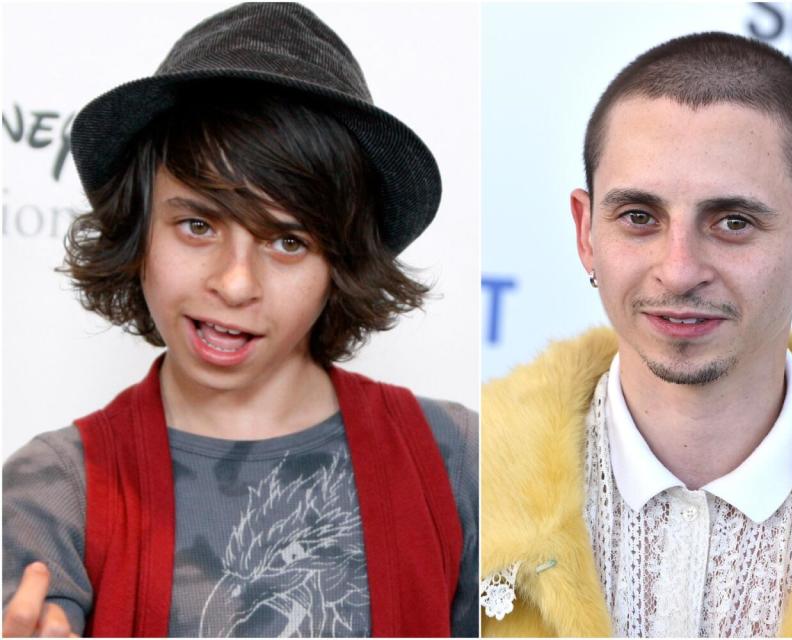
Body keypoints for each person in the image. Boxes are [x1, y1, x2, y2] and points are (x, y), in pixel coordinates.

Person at [2, 3, 477, 637]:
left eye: (288, 242)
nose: (235, 283)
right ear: (140, 231)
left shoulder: (455, 458)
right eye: (197, 225)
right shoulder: (55, 487)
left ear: (341, 263)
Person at [480, 31, 792, 637]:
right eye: (639, 217)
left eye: (733, 222)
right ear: (585, 231)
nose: (679, 270)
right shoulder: (466, 484)